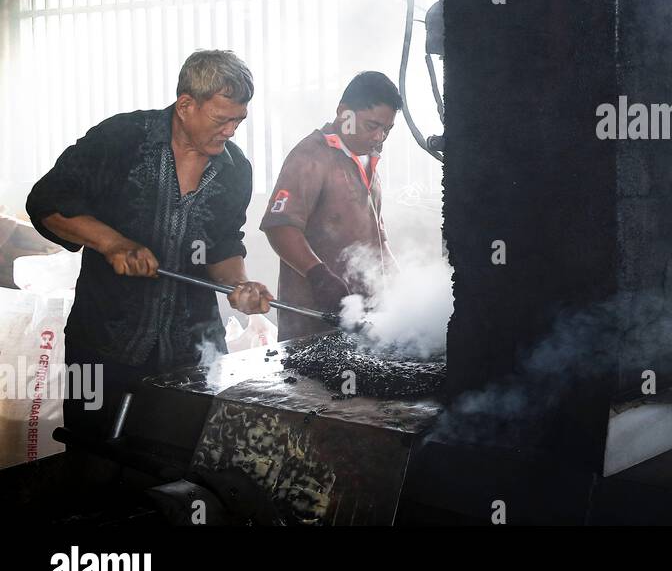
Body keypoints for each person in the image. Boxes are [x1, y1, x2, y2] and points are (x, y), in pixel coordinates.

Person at [26, 50, 274, 442]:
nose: (230, 131)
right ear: (186, 104)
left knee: (177, 471)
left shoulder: (235, 170)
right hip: (100, 346)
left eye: (238, 120)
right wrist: (113, 243)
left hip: (192, 354)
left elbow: (224, 243)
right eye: (221, 118)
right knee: (92, 463)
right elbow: (47, 202)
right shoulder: (120, 140)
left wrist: (238, 286)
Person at [261, 71, 400, 339]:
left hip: (363, 326)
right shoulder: (310, 156)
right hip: (312, 326)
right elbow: (280, 227)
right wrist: (319, 277)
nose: (379, 138)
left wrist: (403, 288)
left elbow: (380, 242)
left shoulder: (368, 162)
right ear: (344, 112)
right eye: (372, 126)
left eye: (387, 129)